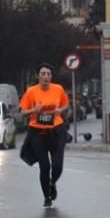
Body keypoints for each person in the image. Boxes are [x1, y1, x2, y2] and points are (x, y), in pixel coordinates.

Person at [20, 63, 70, 207]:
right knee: (45, 166)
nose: (46, 77)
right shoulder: (31, 91)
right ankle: (46, 197)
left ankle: (52, 182)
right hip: (38, 132)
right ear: (38, 76)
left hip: (56, 130)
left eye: (48, 74)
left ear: (51, 77)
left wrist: (60, 110)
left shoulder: (58, 89)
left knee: (57, 165)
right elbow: (23, 111)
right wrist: (34, 110)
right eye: (43, 74)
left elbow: (65, 105)